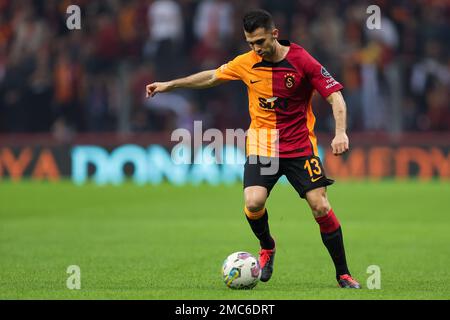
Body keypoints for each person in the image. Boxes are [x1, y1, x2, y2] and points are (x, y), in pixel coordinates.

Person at [146, 9, 360, 289]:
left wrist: (340, 132)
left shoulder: (301, 60)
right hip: (263, 145)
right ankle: (267, 246)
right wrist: (170, 85)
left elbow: (335, 97)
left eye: (260, 42)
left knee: (320, 205)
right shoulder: (246, 62)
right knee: (253, 203)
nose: (256, 48)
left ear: (275, 34)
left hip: (299, 146)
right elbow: (211, 77)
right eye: (250, 43)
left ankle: (343, 274)